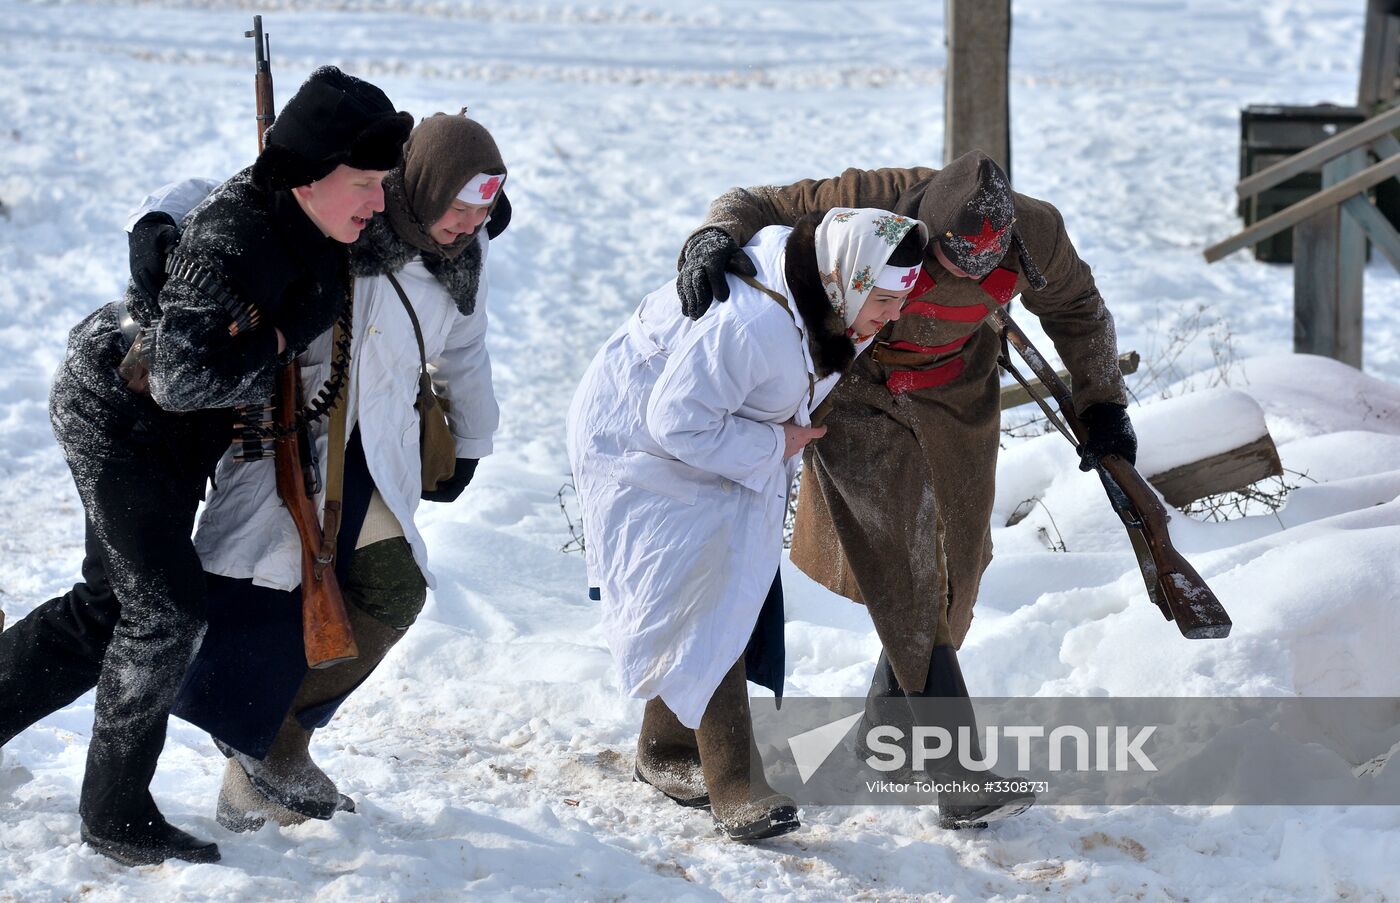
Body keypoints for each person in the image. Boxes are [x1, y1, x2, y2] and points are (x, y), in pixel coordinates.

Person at [0, 66, 412, 865]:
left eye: (383, 183)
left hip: (171, 439)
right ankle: (115, 813)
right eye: (365, 183)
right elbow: (180, 382)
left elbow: (421, 222)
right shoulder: (233, 241)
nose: (377, 200)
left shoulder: (324, 218)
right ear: (310, 175)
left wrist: (478, 202)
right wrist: (280, 338)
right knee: (164, 610)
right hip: (116, 416)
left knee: (107, 606)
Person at [672, 151, 1138, 828]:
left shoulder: (1037, 230)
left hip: (955, 388)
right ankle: (956, 769)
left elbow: (1079, 309)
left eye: (983, 264)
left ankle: (887, 728)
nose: (967, 274)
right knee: (905, 560)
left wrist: (1104, 402)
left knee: (961, 571)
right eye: (952, 262)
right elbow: (754, 200)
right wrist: (713, 235)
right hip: (857, 383)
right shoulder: (876, 200)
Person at [124, 112, 508, 832]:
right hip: (286, 429)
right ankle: (256, 752)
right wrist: (157, 221)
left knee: (393, 590)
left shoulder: (467, 254)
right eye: (457, 207)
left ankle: (272, 739)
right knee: (269, 594)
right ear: (423, 184)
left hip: (379, 443)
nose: (466, 225)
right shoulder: (357, 197)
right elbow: (232, 196)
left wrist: (471, 441)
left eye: (481, 210)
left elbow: (466, 348)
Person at [568, 207, 929, 840]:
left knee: (727, 586)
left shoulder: (832, 290)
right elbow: (676, 421)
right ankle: (736, 784)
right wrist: (775, 444)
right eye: (885, 299)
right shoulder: (755, 325)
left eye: (902, 299)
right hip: (638, 441)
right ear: (849, 276)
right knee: (708, 593)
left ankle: (665, 750)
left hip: (711, 430)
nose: (893, 315)